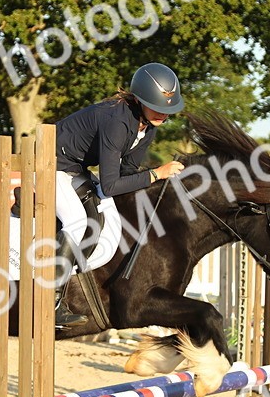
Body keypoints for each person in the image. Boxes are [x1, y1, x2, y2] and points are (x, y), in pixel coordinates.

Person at [52, 62, 187, 327]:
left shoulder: (147, 127)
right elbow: (111, 186)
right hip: (49, 164)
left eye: (168, 110)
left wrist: (158, 182)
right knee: (77, 221)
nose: (163, 114)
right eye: (157, 107)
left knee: (106, 214)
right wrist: (157, 174)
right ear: (139, 100)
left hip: (74, 168)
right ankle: (51, 301)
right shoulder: (116, 121)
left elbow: (127, 173)